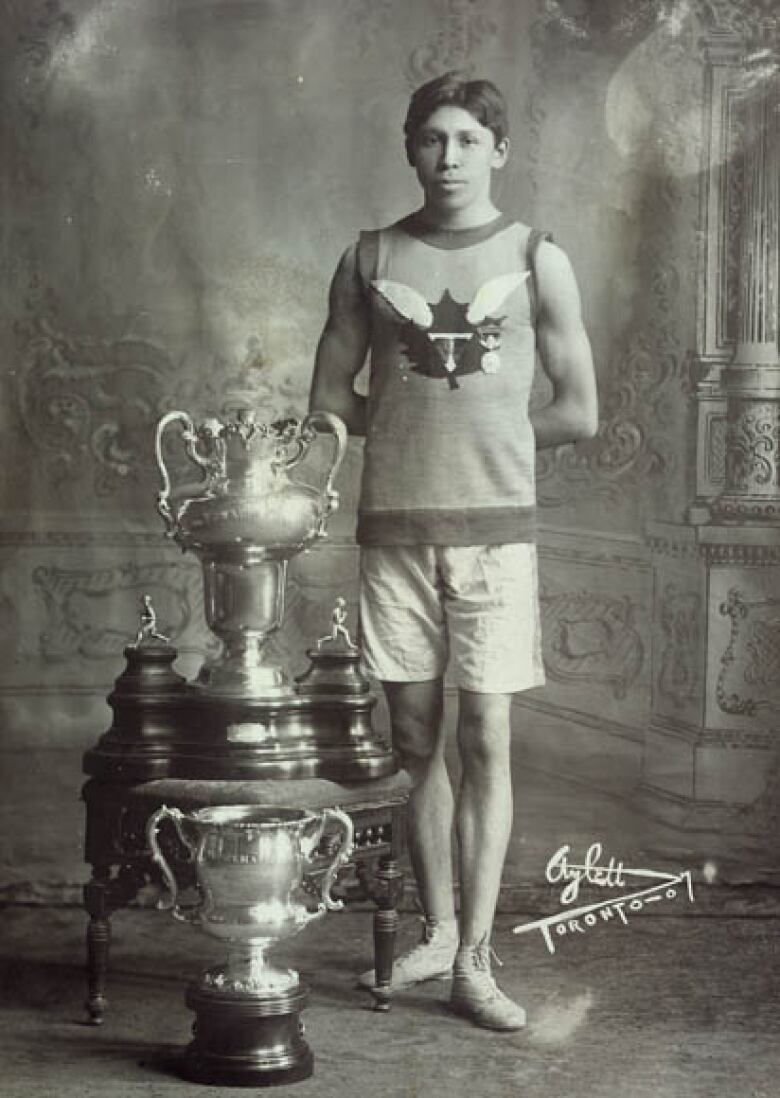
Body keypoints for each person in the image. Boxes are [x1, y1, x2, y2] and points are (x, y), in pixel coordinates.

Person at [308, 71, 598, 1031]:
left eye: (469, 139)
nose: (450, 157)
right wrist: (396, 430)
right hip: (395, 533)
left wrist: (493, 445)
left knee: (486, 739)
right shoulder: (371, 257)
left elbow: (579, 410)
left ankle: (477, 959)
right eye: (433, 139)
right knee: (416, 741)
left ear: (499, 150)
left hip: (496, 540)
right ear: (409, 149)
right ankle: (436, 931)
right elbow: (330, 401)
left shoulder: (537, 257)